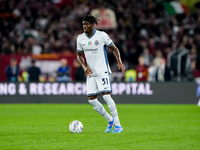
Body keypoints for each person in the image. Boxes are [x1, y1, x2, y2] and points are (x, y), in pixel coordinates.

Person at [76, 15, 125, 133]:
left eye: (87, 24)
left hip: (102, 70)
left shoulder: (102, 35)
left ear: (93, 24)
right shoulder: (80, 38)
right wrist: (84, 67)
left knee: (106, 96)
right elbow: (79, 55)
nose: (85, 26)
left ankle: (118, 126)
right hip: (91, 73)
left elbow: (114, 48)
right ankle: (110, 120)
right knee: (92, 100)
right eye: (83, 24)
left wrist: (119, 61)